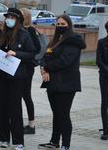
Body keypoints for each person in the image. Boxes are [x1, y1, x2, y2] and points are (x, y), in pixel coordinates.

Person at [39, 14, 86, 150]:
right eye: (58, 24)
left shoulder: (73, 41)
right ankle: (54, 141)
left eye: (63, 24)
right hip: (53, 83)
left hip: (66, 84)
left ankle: (65, 144)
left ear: (69, 25)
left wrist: (47, 67)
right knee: (56, 114)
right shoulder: (55, 40)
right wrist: (43, 69)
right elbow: (44, 57)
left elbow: (65, 61)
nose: (60, 26)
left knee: (63, 115)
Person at [0, 8, 36, 150]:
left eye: (12, 17)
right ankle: (4, 138)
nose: (9, 20)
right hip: (2, 74)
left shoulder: (24, 34)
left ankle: (18, 141)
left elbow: (31, 53)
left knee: (15, 108)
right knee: (3, 107)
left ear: (18, 20)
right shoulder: (1, 33)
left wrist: (16, 53)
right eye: (8, 17)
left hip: (17, 76)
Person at [20, 8, 41, 135]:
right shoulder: (15, 30)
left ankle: (31, 124)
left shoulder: (30, 30)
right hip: (15, 67)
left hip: (27, 67)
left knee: (26, 95)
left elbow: (37, 48)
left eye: (22, 15)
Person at [96, 19, 108, 140]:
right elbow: (99, 61)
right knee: (104, 102)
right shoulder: (101, 42)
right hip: (104, 75)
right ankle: (105, 130)